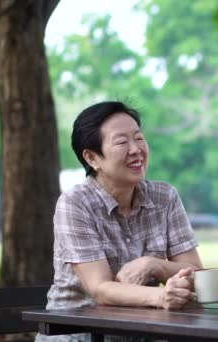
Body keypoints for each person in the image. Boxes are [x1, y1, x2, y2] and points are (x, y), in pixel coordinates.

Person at [37, 101, 202, 341]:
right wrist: (161, 296)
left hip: (142, 333)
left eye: (139, 138)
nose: (136, 149)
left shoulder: (165, 197)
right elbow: (101, 289)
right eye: (122, 142)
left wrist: (152, 265)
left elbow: (197, 274)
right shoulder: (75, 204)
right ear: (92, 158)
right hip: (77, 335)